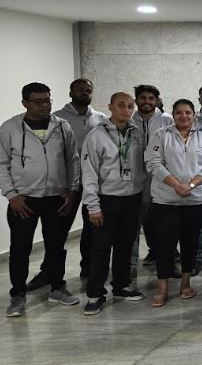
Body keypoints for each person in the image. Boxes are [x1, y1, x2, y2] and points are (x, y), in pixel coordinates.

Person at [1, 82, 81, 316]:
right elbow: (2, 164)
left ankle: (57, 288)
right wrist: (11, 195)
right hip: (23, 200)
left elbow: (73, 160)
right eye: (39, 101)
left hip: (56, 197)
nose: (45, 105)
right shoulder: (10, 128)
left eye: (48, 100)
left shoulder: (62, 126)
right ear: (25, 102)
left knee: (56, 246)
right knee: (20, 248)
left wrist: (71, 190)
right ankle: (18, 295)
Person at [145, 99, 202, 308]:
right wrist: (177, 185)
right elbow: (153, 162)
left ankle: (185, 284)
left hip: (195, 200)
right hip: (166, 200)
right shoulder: (161, 135)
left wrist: (192, 185)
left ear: (194, 115)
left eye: (188, 112)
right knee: (165, 244)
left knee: (190, 243)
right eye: (179, 112)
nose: (183, 116)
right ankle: (163, 289)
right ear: (173, 114)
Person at [80, 92, 148, 314]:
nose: (126, 110)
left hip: (132, 198)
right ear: (110, 107)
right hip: (106, 200)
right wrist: (93, 206)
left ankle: (121, 285)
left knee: (125, 245)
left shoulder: (136, 133)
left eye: (130, 106)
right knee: (100, 248)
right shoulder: (96, 135)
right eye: (121, 105)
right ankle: (94, 293)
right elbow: (88, 173)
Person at [54, 78, 106, 280]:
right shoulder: (57, 119)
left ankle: (88, 268)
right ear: (71, 93)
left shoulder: (101, 118)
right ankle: (51, 273)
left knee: (92, 228)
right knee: (59, 230)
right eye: (79, 89)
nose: (84, 92)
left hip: (93, 182)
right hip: (67, 184)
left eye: (88, 90)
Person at [130, 84, 173, 269]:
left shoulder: (166, 120)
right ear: (137, 100)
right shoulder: (129, 120)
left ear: (156, 101)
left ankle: (167, 261)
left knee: (163, 222)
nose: (147, 101)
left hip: (161, 178)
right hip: (135, 179)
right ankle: (130, 266)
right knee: (135, 223)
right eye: (143, 98)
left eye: (151, 98)